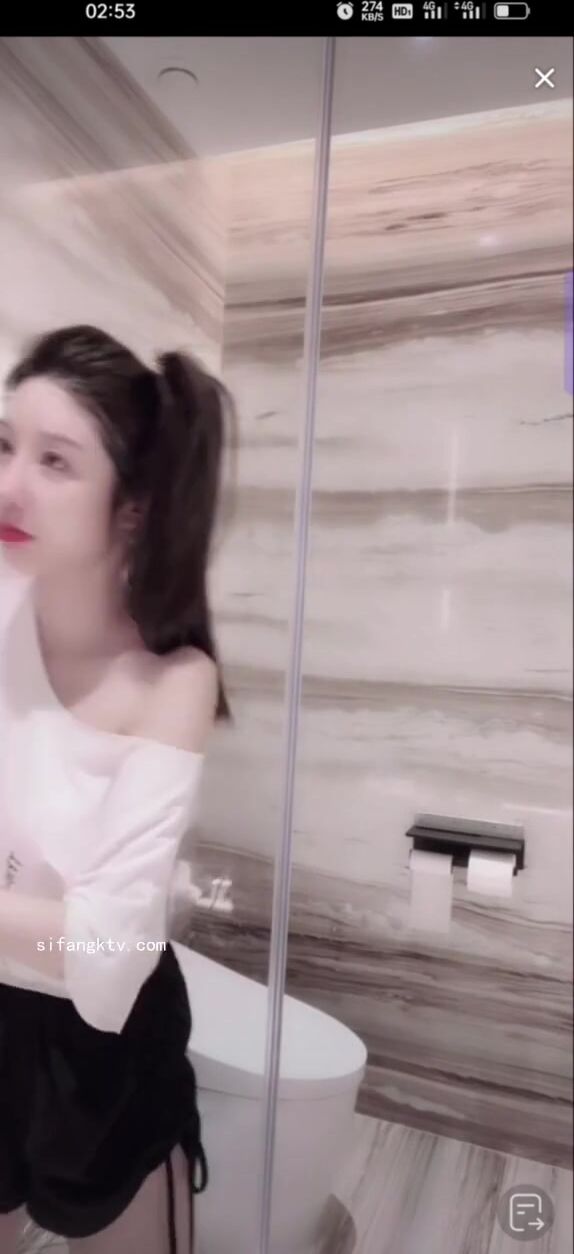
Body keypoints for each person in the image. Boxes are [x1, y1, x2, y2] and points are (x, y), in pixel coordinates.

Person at [0, 325, 237, 1254]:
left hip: (103, 1050)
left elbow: (111, 951)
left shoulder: (171, 682)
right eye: (5, 445)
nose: (11, 483)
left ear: (133, 506)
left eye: (56, 461)